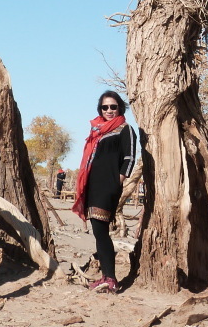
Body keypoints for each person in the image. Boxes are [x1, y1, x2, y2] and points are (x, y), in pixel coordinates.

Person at [72, 90, 137, 294]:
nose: (109, 110)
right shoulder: (97, 131)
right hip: (93, 186)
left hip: (108, 187)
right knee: (99, 232)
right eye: (105, 107)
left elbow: (130, 157)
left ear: (120, 108)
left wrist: (117, 181)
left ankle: (111, 279)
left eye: (113, 106)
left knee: (102, 231)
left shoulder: (125, 129)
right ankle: (106, 276)